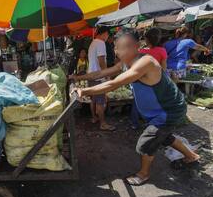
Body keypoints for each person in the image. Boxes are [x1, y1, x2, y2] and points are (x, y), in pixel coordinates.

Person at [70, 29, 200, 185]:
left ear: (137, 46)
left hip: (169, 110)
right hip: (158, 112)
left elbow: (113, 83)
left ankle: (143, 174)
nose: (122, 51)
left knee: (146, 143)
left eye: (127, 46)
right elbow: (101, 73)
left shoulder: (145, 62)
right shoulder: (125, 63)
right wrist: (77, 78)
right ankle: (192, 157)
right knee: (164, 137)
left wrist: (84, 91)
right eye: (118, 47)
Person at [87, 26, 115, 131]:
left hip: (91, 75)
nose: (108, 37)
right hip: (98, 77)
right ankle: (103, 123)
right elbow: (101, 60)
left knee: (93, 99)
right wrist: (107, 74)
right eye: (108, 34)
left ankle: (94, 118)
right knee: (100, 101)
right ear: (104, 33)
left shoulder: (93, 42)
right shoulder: (100, 43)